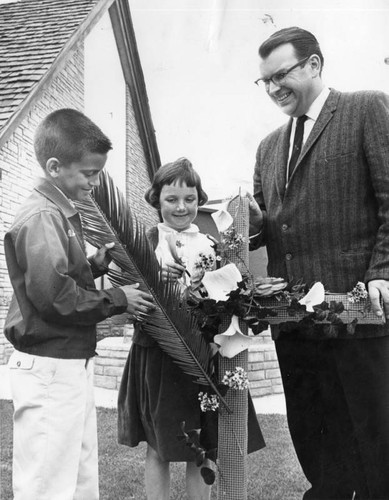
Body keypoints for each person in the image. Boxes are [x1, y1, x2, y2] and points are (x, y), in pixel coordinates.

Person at [249, 26, 389, 499]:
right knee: (318, 451)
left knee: (377, 453)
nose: (272, 88)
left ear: (314, 64)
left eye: (280, 75)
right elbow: (270, 229)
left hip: (359, 318)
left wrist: (382, 272)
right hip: (294, 326)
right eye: (264, 81)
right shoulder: (268, 147)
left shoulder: (366, 108)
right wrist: (246, 224)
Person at [4, 108, 155, 500]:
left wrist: (93, 265)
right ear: (55, 167)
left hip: (67, 364)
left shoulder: (55, 212)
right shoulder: (42, 216)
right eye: (89, 173)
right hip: (51, 367)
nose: (94, 182)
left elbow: (54, 283)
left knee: (77, 478)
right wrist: (119, 297)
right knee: (47, 486)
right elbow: (55, 299)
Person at [118, 157, 265, 500]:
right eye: (171, 199)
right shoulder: (145, 241)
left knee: (203, 442)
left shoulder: (211, 245)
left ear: (200, 200)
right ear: (156, 200)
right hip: (161, 356)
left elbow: (226, 293)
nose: (181, 207)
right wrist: (154, 279)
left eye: (190, 199)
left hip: (203, 354)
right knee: (161, 444)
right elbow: (127, 294)